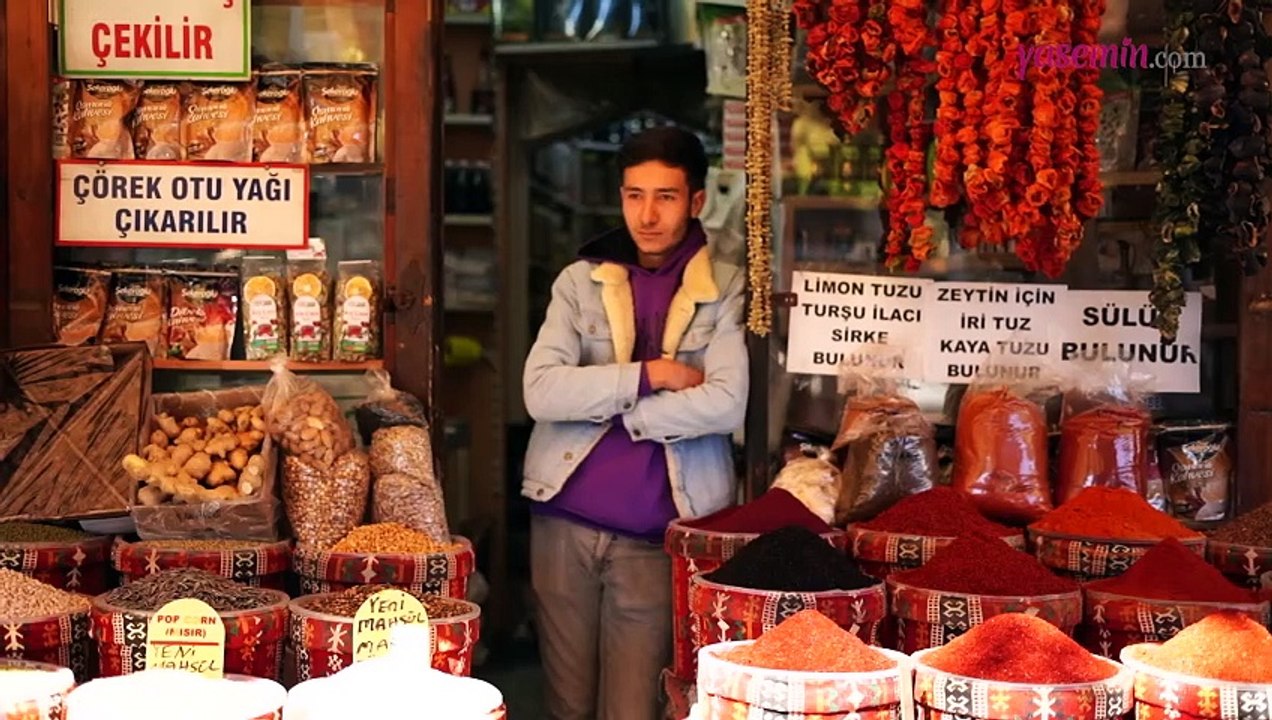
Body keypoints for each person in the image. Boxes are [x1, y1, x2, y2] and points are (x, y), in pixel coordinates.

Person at [521, 126, 749, 720]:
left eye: (666, 197)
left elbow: (728, 403)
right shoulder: (580, 281)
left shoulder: (725, 287)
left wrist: (611, 403)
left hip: (657, 535)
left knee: (632, 711)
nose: (646, 215)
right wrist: (652, 375)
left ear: (696, 201)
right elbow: (540, 391)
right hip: (563, 522)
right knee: (566, 706)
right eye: (633, 195)